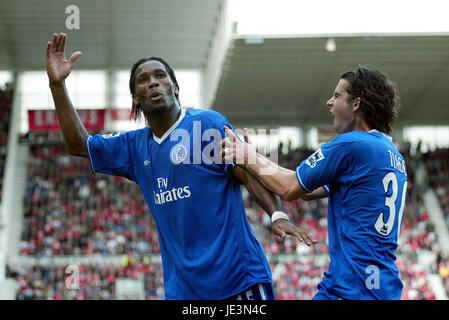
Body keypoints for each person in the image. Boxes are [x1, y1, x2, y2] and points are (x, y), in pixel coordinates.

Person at [45, 32, 316, 300]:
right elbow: (79, 145)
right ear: (136, 98)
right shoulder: (132, 147)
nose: (153, 83)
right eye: (143, 80)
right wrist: (57, 85)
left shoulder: (206, 125)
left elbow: (246, 172)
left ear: (175, 87)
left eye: (160, 76)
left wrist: (276, 215)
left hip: (237, 281)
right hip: (183, 290)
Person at [222, 66, 407, 300]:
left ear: (357, 103)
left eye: (337, 95)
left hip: (353, 286)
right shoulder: (391, 153)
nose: (330, 102)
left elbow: (288, 188)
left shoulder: (351, 144)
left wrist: (247, 156)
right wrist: (253, 159)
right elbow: (306, 191)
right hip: (382, 285)